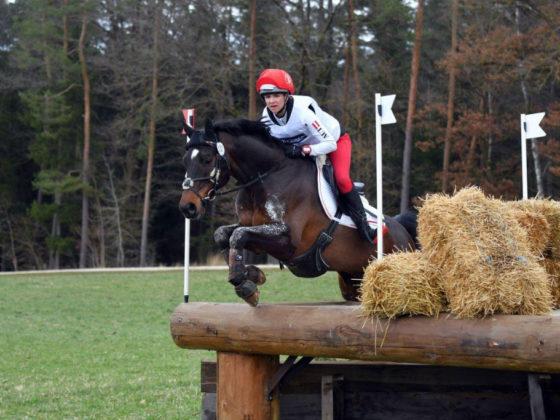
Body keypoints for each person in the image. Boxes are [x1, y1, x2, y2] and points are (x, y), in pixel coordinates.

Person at [256, 68, 376, 245]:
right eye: (267, 97)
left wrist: (304, 150)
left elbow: (329, 144)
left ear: (287, 95)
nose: (271, 101)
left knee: (341, 179)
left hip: (334, 141)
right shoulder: (266, 117)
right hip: (306, 148)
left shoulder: (303, 112)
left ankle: (363, 224)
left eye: (276, 96)